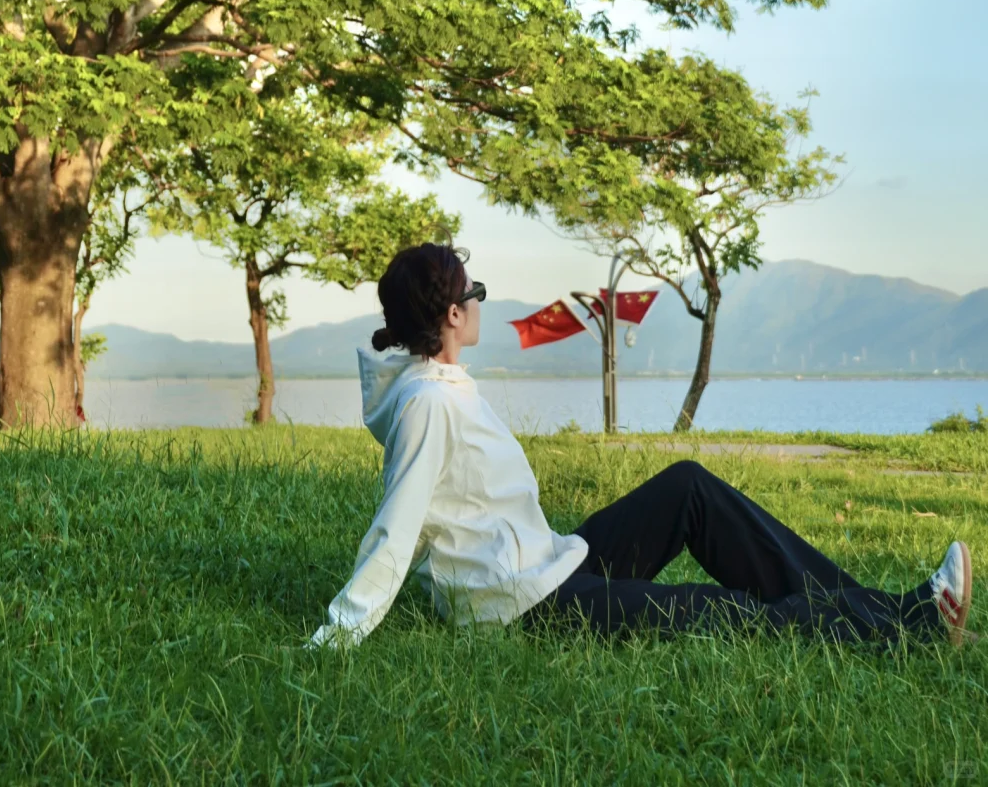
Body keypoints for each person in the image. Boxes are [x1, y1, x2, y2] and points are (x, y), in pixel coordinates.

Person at [307, 243, 974, 650]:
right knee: (730, 612)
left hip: (550, 564)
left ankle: (888, 610)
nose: (481, 300)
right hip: (527, 610)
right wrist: (335, 636)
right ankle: (905, 624)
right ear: (453, 314)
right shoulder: (428, 401)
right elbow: (395, 531)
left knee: (688, 486)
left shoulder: (440, 384)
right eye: (473, 292)